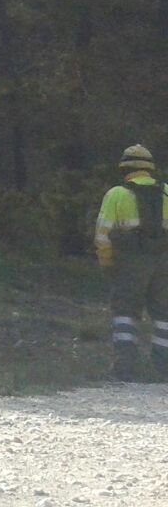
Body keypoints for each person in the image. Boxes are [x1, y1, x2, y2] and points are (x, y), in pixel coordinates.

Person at [95, 143, 168, 381]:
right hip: (164, 263)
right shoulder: (166, 192)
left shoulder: (116, 194)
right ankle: (162, 368)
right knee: (164, 315)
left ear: (124, 168)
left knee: (125, 313)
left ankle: (125, 368)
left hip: (129, 264)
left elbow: (102, 235)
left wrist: (107, 263)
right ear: (150, 168)